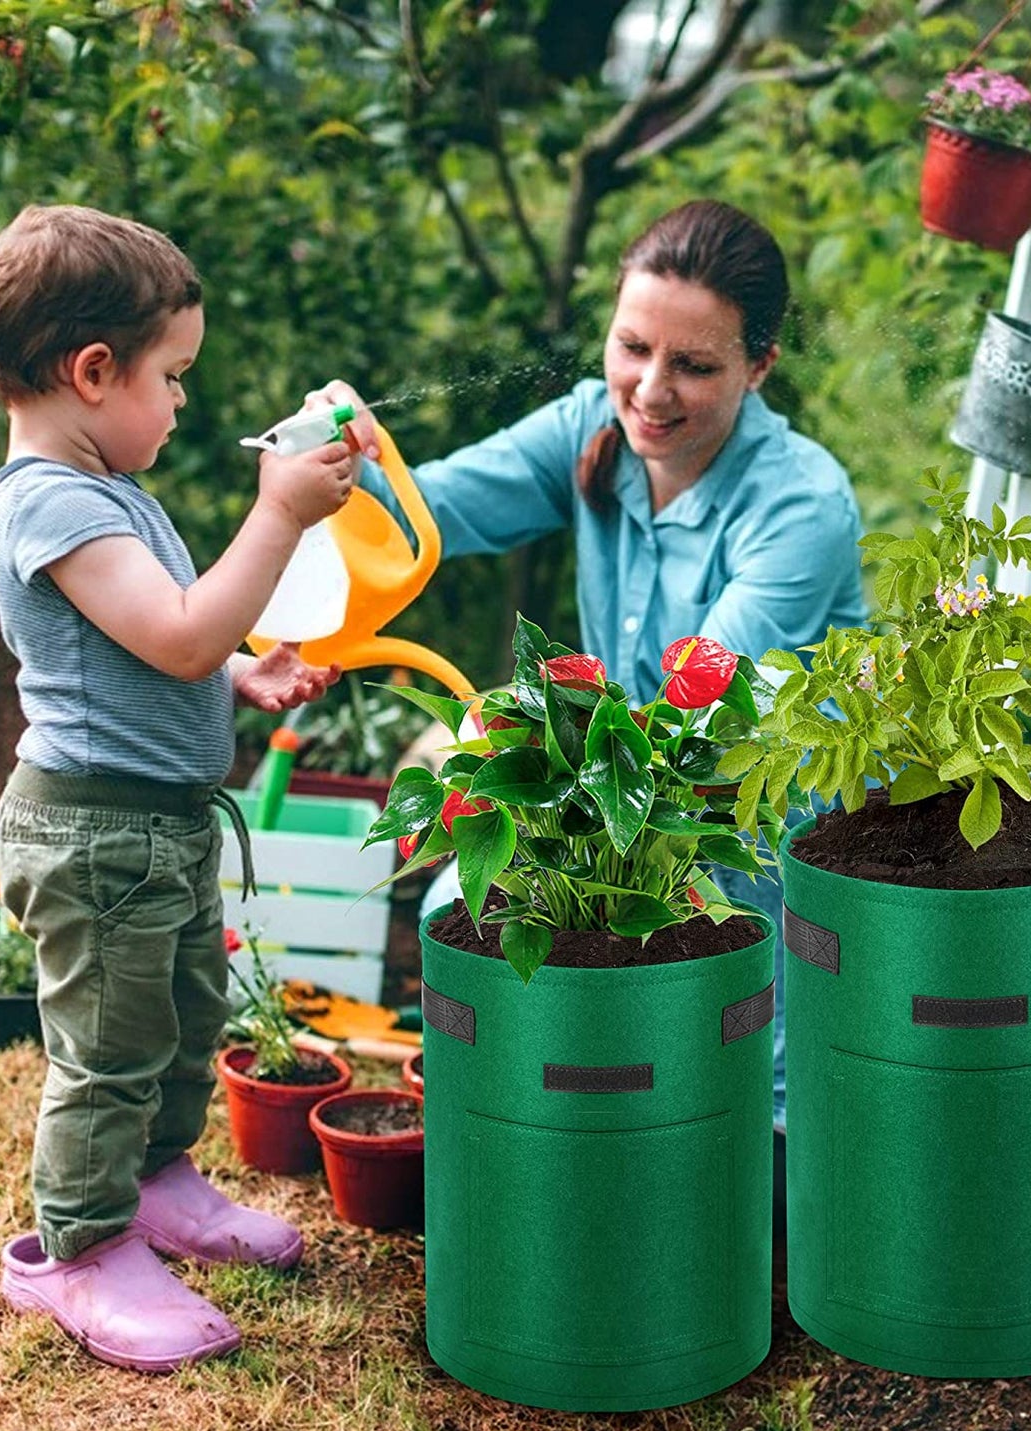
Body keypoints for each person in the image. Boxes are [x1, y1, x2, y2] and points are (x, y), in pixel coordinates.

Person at [306, 199, 866, 1169]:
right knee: (457, 920)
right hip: (622, 805)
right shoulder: (586, 426)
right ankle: (555, 1156)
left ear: (759, 366)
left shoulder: (798, 505)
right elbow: (422, 514)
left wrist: (490, 747)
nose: (650, 389)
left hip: (755, 837)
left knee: (757, 1104)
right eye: (632, 347)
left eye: (693, 366)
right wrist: (346, 457)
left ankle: (732, 1189)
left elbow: (691, 719)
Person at [0, 204, 355, 1373]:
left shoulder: (105, 488)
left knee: (183, 1018)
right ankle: (79, 1248)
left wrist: (241, 668)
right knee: (107, 1047)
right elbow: (177, 633)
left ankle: (157, 1177)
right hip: (94, 835)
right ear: (93, 371)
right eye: (171, 375)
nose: (182, 401)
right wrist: (278, 513)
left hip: (157, 827)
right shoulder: (52, 501)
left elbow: (150, 643)